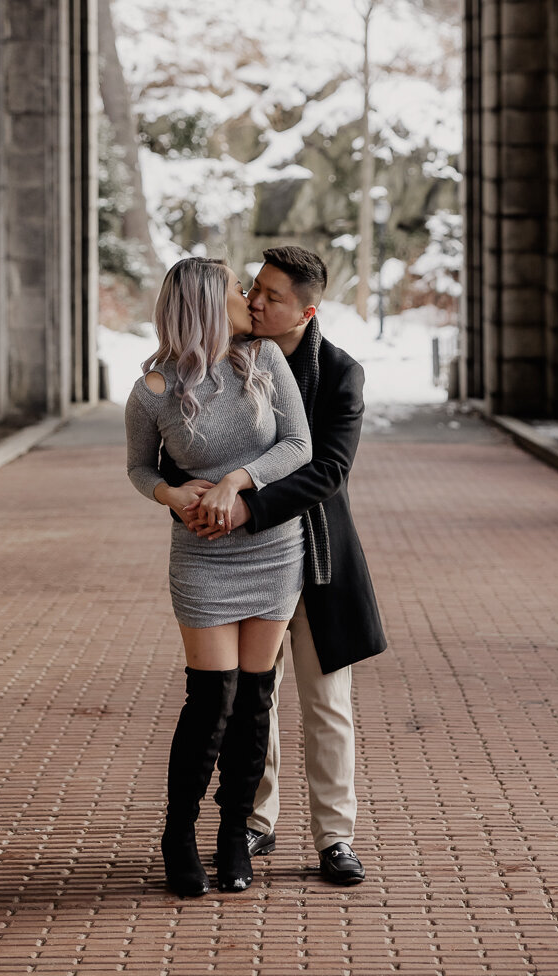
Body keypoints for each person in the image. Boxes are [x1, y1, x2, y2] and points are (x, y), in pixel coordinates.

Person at [164, 245, 386, 886]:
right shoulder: (222, 360)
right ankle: (257, 821)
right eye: (252, 289)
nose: (255, 302)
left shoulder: (339, 373)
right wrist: (191, 499)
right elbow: (179, 450)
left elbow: (328, 468)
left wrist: (245, 506)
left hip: (315, 556)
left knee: (326, 701)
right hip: (230, 560)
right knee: (247, 701)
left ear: (306, 311)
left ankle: (335, 837)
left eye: (272, 296)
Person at [124, 256, 312, 898]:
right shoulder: (152, 391)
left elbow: (298, 446)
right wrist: (173, 498)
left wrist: (237, 480)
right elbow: (139, 471)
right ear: (207, 303)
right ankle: (179, 835)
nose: (248, 299)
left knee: (256, 699)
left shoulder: (264, 361)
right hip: (202, 558)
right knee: (211, 702)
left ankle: (234, 836)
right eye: (236, 289)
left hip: (271, 549)